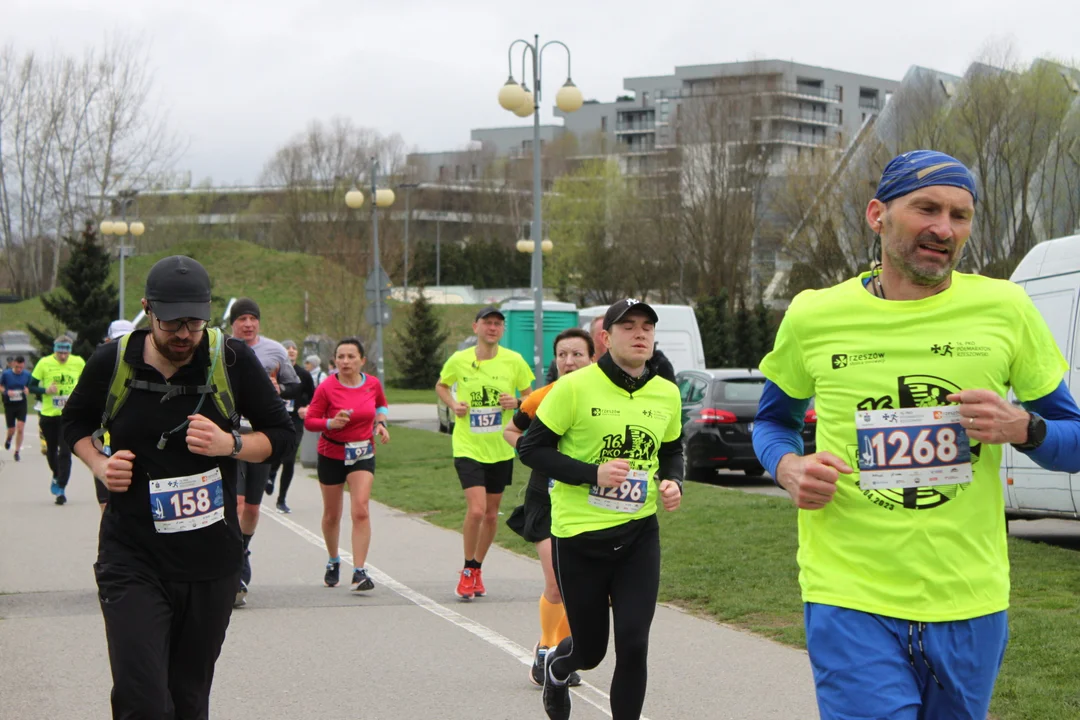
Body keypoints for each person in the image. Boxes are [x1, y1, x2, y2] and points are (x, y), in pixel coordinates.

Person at [752, 150, 1080, 720]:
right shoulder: (814, 315)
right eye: (926, 208)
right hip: (848, 593)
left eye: (960, 215)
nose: (944, 229)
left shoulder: (1005, 307)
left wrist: (1025, 428)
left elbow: (1073, 439)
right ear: (878, 215)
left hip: (970, 598)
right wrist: (786, 466)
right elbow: (772, 422)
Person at [62, 255, 295, 720]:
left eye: (194, 322)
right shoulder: (114, 361)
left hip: (210, 563)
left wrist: (229, 443)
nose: (185, 334)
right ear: (149, 311)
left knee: (188, 700)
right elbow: (74, 421)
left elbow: (282, 436)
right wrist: (99, 463)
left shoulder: (230, 360)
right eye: (172, 323)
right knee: (143, 700)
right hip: (132, 558)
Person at [518, 299, 684, 720]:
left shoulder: (666, 391)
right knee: (590, 652)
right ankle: (558, 668)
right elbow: (531, 448)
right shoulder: (573, 388)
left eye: (647, 326)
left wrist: (673, 481)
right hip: (579, 536)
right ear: (606, 338)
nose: (640, 333)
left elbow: (672, 449)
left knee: (633, 643)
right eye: (629, 326)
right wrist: (593, 473)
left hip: (638, 534)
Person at [504, 328, 593, 688]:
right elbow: (511, 431)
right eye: (563, 355)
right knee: (556, 580)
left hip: (586, 500)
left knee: (581, 585)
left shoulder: (603, 398)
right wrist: (536, 451)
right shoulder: (540, 398)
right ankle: (547, 648)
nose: (569, 362)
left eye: (577, 355)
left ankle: (562, 650)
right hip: (546, 496)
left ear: (592, 358)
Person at [436, 305, 534, 600]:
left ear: (502, 330)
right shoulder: (459, 360)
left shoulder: (514, 361)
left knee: (491, 515)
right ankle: (467, 570)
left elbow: (530, 396)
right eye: (487, 323)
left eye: (498, 324)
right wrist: (454, 406)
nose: (492, 328)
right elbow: (442, 386)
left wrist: (515, 402)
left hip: (500, 448)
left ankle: (478, 567)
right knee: (476, 510)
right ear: (475, 327)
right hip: (467, 446)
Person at [229, 297, 301, 606]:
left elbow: (295, 385)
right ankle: (234, 566)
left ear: (258, 322)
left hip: (261, 437)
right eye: (241, 319)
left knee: (253, 509)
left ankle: (242, 548)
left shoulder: (274, 351)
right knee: (238, 502)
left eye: (252, 319)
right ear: (233, 323)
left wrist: (279, 390)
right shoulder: (221, 349)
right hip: (229, 437)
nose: (247, 324)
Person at [304, 338, 390, 591]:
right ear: (335, 361)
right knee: (332, 515)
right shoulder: (327, 388)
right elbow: (310, 420)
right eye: (340, 357)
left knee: (361, 510)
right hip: (332, 453)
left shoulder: (372, 384)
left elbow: (381, 405)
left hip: (363, 452)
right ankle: (333, 560)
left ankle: (360, 571)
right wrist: (330, 423)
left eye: (351, 356)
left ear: (362, 360)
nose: (345, 361)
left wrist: (381, 423)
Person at [29, 335, 86, 505]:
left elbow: (86, 383)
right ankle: (56, 474)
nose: (63, 356)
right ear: (55, 350)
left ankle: (61, 487)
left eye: (66, 353)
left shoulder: (78, 362)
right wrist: (45, 389)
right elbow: (31, 385)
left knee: (65, 452)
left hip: (68, 415)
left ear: (70, 351)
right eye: (60, 352)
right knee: (51, 451)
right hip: (48, 415)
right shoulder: (44, 363)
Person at [267, 339, 314, 513]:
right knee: (276, 452)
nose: (292, 350)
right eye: (288, 347)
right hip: (277, 419)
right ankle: (270, 474)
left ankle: (281, 500)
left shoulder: (304, 375)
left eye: (295, 348)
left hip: (295, 420)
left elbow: (314, 397)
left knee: (289, 457)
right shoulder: (273, 372)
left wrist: (307, 408)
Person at [1, 355, 32, 462]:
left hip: (21, 403)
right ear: (14, 364)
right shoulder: (6, 374)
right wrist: (5, 392)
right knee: (11, 430)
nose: (19, 370)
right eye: (17, 367)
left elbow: (30, 386)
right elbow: (1, 386)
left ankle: (17, 451)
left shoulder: (27, 375)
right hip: (9, 404)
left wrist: (28, 390)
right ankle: (9, 438)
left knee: (20, 427)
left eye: (21, 368)